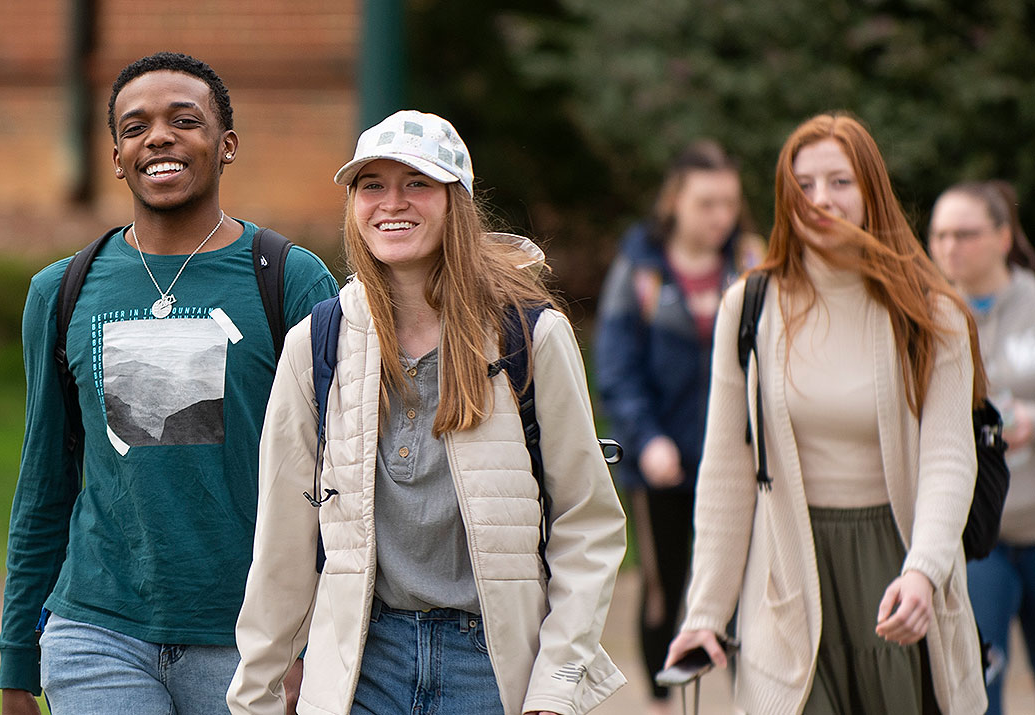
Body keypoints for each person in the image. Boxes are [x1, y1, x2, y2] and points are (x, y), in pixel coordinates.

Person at [229, 109, 628, 715]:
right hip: (365, 664)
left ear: (455, 202)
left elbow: (587, 523)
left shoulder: (530, 336)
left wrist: (555, 686)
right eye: (373, 185)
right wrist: (256, 691)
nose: (393, 203)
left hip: (491, 668)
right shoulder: (318, 342)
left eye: (417, 183)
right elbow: (282, 537)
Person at [0, 51, 338, 715]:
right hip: (99, 631)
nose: (158, 136)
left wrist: (309, 641)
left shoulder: (293, 281)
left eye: (185, 120)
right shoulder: (61, 292)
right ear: (118, 154)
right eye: (135, 127)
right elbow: (44, 481)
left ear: (226, 144)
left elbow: (338, 480)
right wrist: (18, 656)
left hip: (250, 636)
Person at [665, 113, 988, 714]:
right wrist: (707, 612)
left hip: (897, 566)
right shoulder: (750, 307)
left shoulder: (931, 312)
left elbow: (949, 458)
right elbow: (728, 471)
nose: (821, 200)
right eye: (803, 185)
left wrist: (923, 571)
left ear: (871, 191)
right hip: (788, 570)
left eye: (840, 182)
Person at [593, 140, 760, 713]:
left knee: (746, 587)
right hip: (663, 463)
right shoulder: (639, 271)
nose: (721, 217)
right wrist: (648, 439)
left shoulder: (753, 266)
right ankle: (661, 701)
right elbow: (616, 368)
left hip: (743, 462)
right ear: (675, 202)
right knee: (665, 589)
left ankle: (753, 698)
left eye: (729, 204)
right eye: (706, 203)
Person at [928, 180, 1035, 715]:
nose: (950, 247)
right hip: (974, 536)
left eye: (965, 234)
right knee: (975, 683)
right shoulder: (924, 317)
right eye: (940, 235)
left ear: (1002, 235)